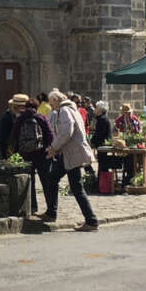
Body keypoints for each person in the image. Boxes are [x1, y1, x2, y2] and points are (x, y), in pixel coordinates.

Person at [44, 89, 99, 232]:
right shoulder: (72, 109)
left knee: (71, 185)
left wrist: (54, 148)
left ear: (57, 100)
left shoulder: (64, 110)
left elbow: (66, 131)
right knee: (61, 181)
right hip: (71, 153)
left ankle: (91, 220)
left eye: (52, 103)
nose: (51, 106)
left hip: (72, 153)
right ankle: (52, 212)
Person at [11, 98, 54, 215]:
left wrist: (17, 151)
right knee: (46, 182)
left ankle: (32, 207)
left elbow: (14, 136)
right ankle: (50, 208)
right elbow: (50, 135)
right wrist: (47, 148)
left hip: (25, 154)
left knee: (30, 182)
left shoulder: (20, 119)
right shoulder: (41, 118)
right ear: (37, 107)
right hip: (41, 155)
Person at [0, 96, 25, 160]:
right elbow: (2, 137)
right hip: (8, 150)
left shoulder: (18, 117)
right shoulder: (7, 118)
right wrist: (6, 152)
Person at [90, 100, 113, 171]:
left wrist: (92, 141)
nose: (95, 109)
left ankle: (102, 180)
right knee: (101, 163)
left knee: (103, 164)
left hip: (102, 144)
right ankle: (101, 180)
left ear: (100, 109)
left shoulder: (102, 119)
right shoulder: (101, 118)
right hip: (101, 144)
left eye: (96, 107)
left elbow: (99, 133)